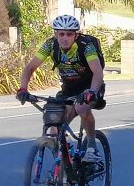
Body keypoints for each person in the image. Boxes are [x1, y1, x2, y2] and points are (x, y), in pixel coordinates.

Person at [16, 14, 105, 153]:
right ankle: (63, 165)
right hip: (69, 89)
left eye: (69, 34)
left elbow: (98, 73)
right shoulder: (50, 45)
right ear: (56, 34)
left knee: (82, 108)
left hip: (90, 86)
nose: (64, 38)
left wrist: (92, 91)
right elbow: (30, 68)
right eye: (61, 34)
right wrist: (23, 89)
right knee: (55, 125)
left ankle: (92, 145)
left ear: (76, 35)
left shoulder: (86, 47)